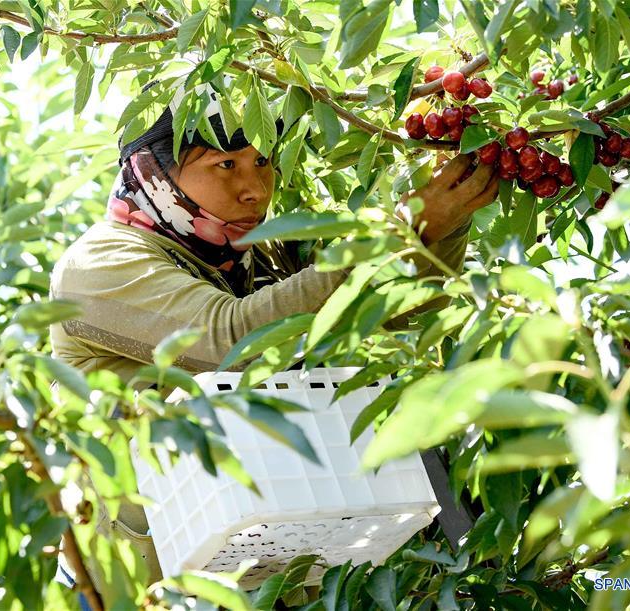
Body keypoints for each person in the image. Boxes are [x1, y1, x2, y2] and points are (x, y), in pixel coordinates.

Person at [48, 80, 503, 586]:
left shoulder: (265, 255)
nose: (254, 188)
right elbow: (233, 343)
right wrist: (402, 230)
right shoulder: (98, 266)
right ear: (154, 173)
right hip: (153, 583)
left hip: (279, 566)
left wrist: (449, 217)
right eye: (226, 165)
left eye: (262, 162)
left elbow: (397, 308)